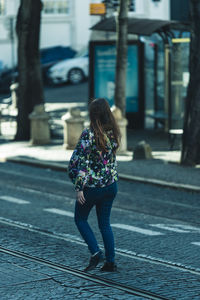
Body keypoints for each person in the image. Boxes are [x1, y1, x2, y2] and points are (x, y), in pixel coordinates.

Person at [68, 98, 121, 272]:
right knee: (105, 224)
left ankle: (95, 252)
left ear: (92, 114)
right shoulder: (114, 132)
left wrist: (79, 188)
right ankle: (110, 262)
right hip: (111, 185)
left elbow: (81, 162)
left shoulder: (88, 134)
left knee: (80, 219)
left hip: (92, 187)